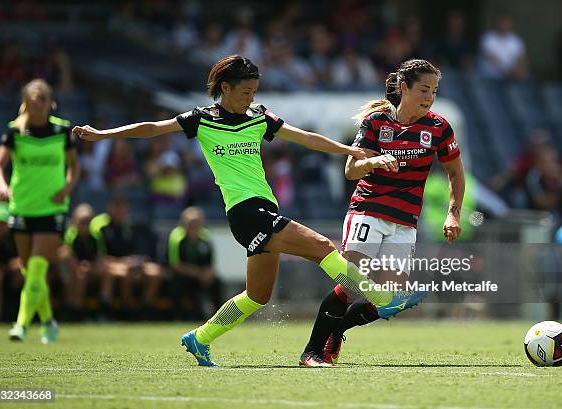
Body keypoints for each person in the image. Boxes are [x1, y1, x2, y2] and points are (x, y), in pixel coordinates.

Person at [73, 54, 413, 367]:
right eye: (246, 90)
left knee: (257, 296)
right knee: (323, 247)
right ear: (225, 87)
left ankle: (200, 338)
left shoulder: (259, 117)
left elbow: (305, 138)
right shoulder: (201, 119)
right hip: (245, 212)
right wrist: (103, 134)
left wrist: (351, 153)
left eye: (254, 90)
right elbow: (152, 128)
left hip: (263, 209)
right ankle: (380, 297)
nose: (251, 96)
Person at [300, 59, 465, 366]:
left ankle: (336, 330)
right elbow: (351, 170)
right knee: (352, 284)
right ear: (404, 87)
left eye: (434, 91)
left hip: (405, 222)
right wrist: (374, 162)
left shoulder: (440, 127)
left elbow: (456, 174)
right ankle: (311, 351)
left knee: (391, 299)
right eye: (424, 89)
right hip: (369, 211)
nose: (430, 97)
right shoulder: (377, 122)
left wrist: (453, 214)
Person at [0, 78, 80, 343]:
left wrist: (67, 187)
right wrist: (1, 185)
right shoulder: (15, 132)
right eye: (34, 99)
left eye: (43, 98)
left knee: (39, 268)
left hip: (51, 207)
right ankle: (49, 320)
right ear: (26, 102)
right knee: (28, 271)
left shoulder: (62, 131)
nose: (39, 103)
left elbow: (74, 167)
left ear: (50, 102)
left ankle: (20, 325)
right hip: (22, 206)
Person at [89, 195, 163, 316]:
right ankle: (127, 310)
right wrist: (125, 262)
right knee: (128, 271)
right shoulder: (100, 226)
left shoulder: (127, 227)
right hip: (108, 265)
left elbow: (132, 252)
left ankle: (146, 310)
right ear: (110, 207)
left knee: (156, 271)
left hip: (127, 264)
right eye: (117, 206)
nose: (120, 210)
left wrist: (137, 260)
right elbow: (99, 258)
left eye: (123, 207)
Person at [168, 206, 222, 320]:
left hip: (199, 275)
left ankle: (220, 316)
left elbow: (210, 262)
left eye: (198, 223)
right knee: (178, 285)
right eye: (192, 223)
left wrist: (207, 274)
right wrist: (197, 273)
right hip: (181, 275)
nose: (195, 226)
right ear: (184, 223)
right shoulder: (177, 237)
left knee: (217, 282)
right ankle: (178, 317)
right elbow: (175, 264)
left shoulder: (205, 236)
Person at [60, 203, 100, 319]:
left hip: (84, 267)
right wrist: (78, 268)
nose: (86, 225)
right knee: (75, 277)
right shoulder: (71, 234)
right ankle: (72, 310)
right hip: (65, 266)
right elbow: (66, 254)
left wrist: (90, 266)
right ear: (74, 221)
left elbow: (99, 256)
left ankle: (81, 310)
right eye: (83, 221)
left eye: (89, 221)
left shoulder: (95, 236)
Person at [0, 202, 21, 322]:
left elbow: (26, 258)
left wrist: (17, 264)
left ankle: (20, 315)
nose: (1, 227)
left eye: (4, 223)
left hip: (14, 273)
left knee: (22, 275)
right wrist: (4, 268)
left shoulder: (18, 235)